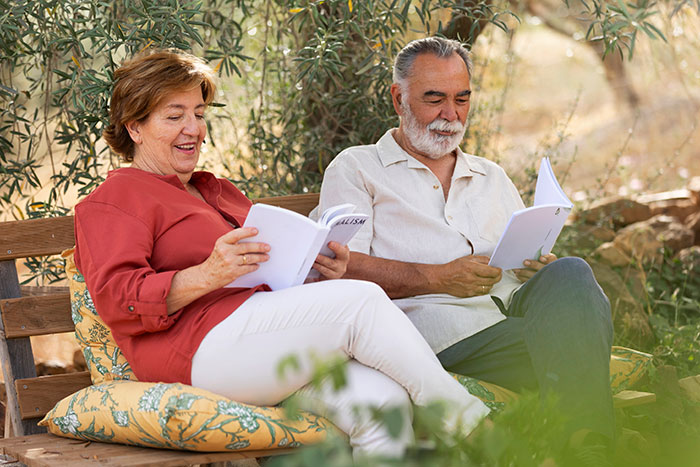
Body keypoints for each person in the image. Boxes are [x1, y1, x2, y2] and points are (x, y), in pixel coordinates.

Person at [73, 48, 490, 459]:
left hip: (263, 343)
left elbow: (267, 273)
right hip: (195, 353)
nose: (193, 129)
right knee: (359, 300)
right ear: (135, 128)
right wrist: (207, 274)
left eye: (199, 114)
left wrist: (319, 268)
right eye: (174, 115)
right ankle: (474, 426)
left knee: (382, 403)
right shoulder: (114, 200)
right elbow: (117, 299)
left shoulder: (214, 190)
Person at [317, 37, 615, 444]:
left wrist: (534, 268)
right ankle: (588, 447)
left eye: (462, 99)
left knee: (570, 273)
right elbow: (342, 267)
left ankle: (581, 444)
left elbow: (519, 264)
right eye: (434, 98)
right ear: (397, 99)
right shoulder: (359, 168)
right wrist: (435, 278)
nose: (450, 115)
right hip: (435, 339)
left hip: (510, 320)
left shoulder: (491, 176)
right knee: (577, 349)